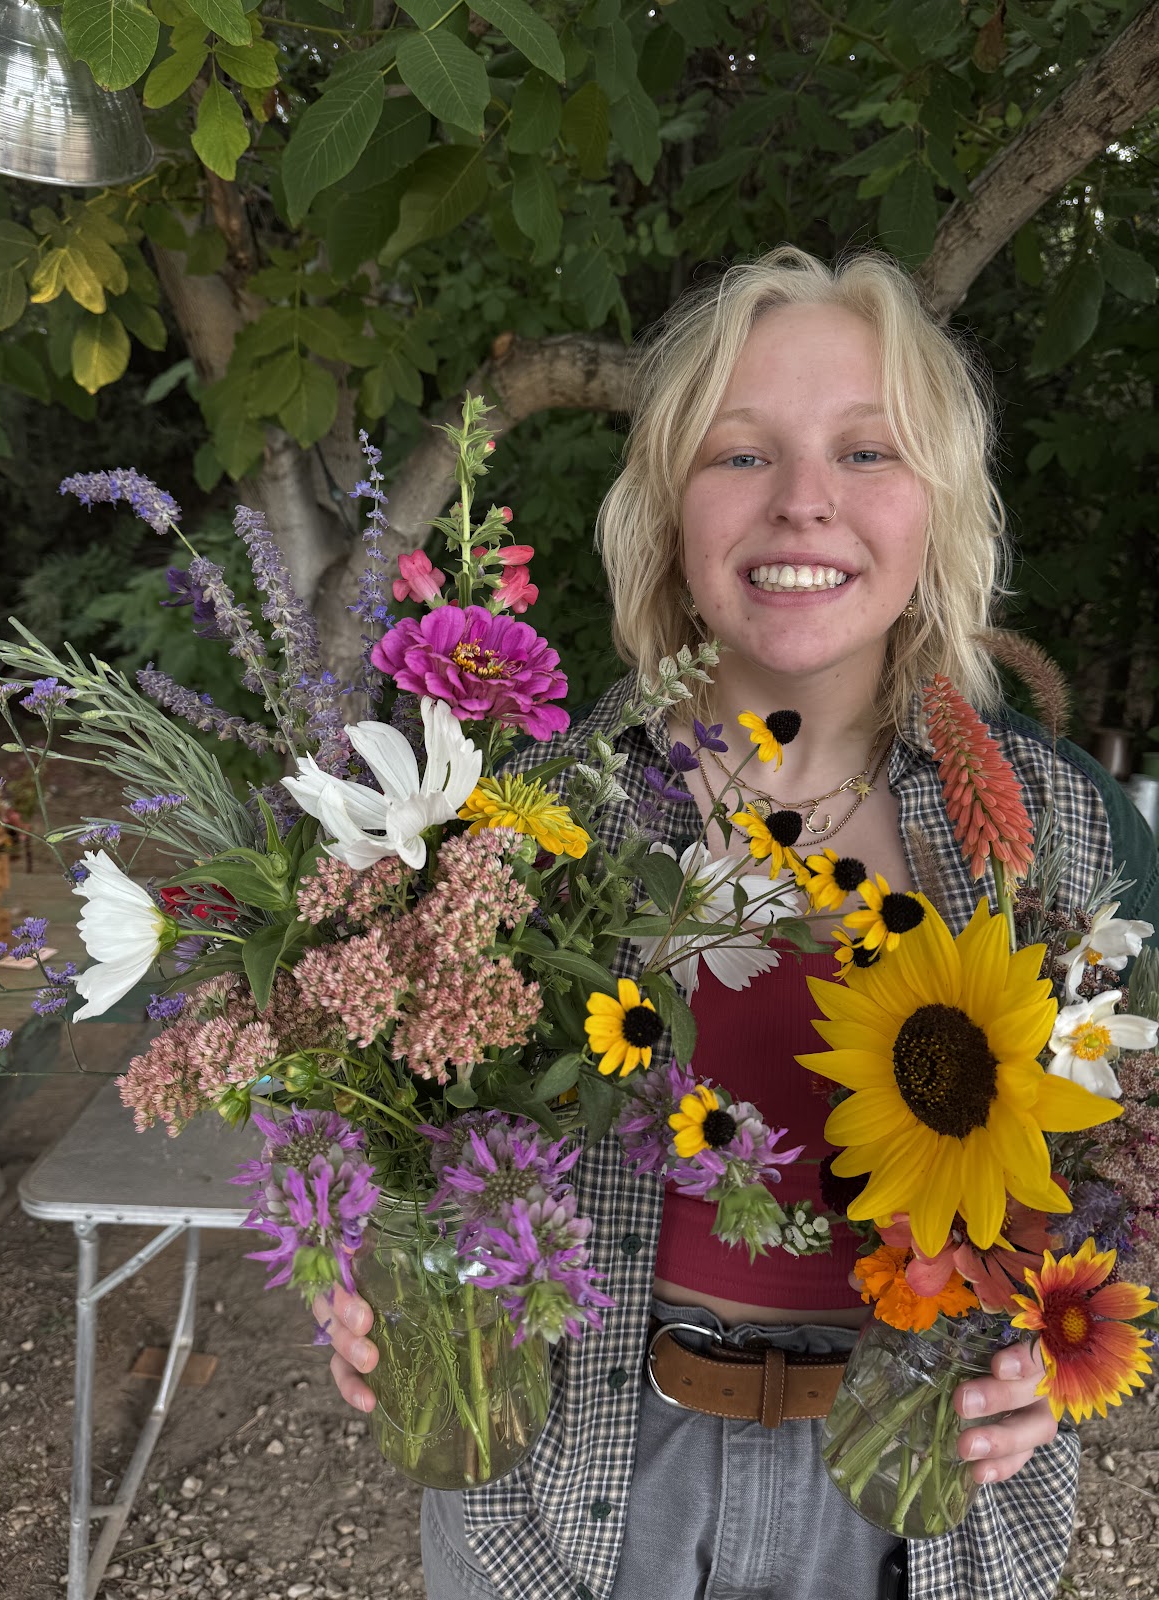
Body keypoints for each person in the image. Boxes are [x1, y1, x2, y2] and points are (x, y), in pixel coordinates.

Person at [315, 247, 1159, 1600]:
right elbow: (398, 1130)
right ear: (667, 511)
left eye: (867, 451)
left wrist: (1057, 1364)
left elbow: (1126, 1176)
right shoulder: (523, 817)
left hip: (915, 1499)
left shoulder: (1060, 830)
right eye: (741, 454)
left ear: (941, 507)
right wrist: (364, 1267)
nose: (804, 500)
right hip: (573, 1491)